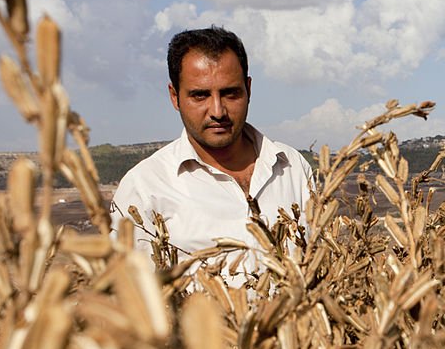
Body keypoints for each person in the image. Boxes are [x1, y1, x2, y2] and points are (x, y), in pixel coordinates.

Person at [109, 26, 312, 282]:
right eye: (200, 95)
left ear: (248, 89)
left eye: (230, 93)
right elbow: (129, 294)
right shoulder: (145, 187)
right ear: (175, 97)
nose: (217, 110)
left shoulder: (292, 167)